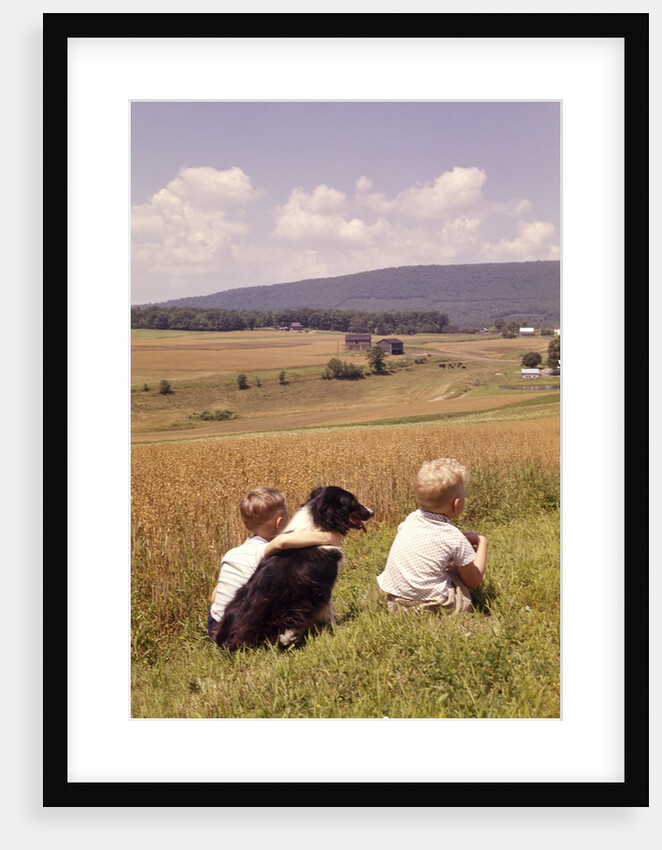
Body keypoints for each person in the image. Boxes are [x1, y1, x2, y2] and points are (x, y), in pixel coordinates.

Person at [207, 486, 340, 642]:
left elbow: (214, 597)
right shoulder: (265, 553)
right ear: (279, 522)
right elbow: (281, 542)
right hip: (239, 626)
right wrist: (327, 538)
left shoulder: (232, 554)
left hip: (214, 624)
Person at [376, 458, 488, 614]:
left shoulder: (411, 519)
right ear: (455, 505)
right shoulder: (453, 537)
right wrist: (482, 542)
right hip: (433, 606)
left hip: (397, 605)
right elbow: (474, 581)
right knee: (458, 573)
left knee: (452, 563)